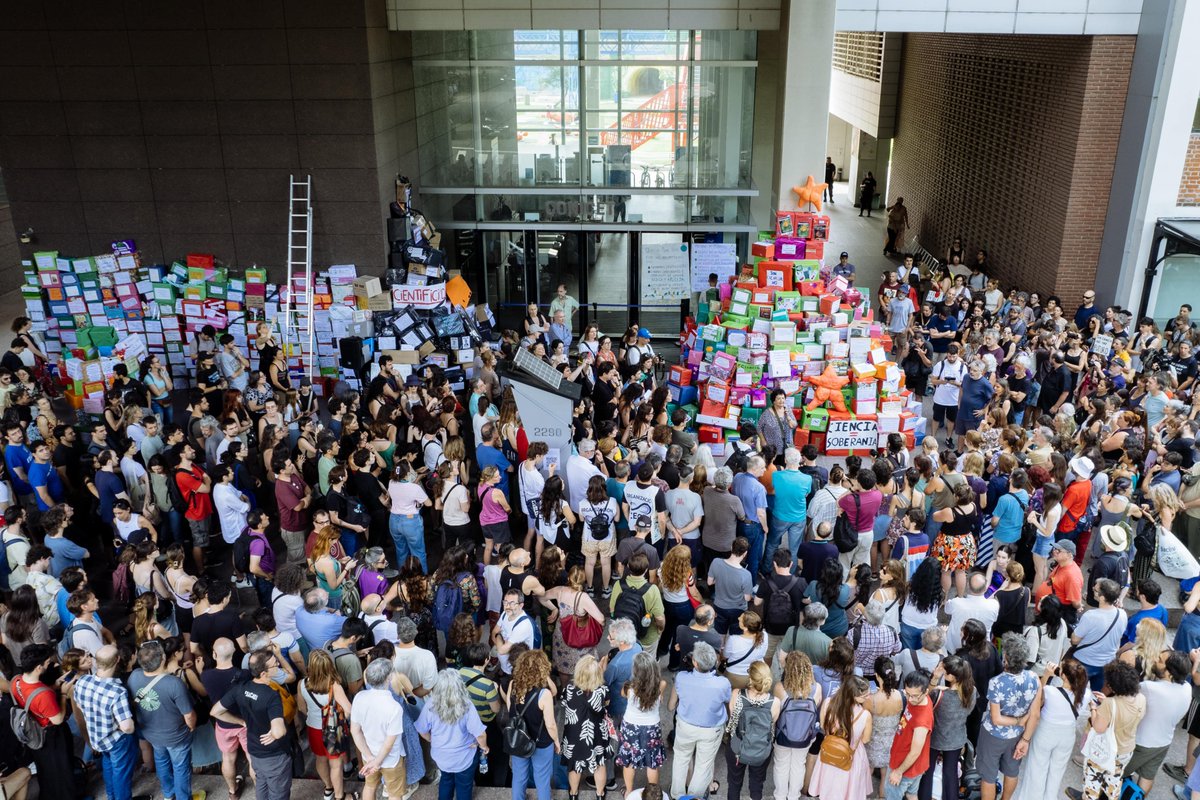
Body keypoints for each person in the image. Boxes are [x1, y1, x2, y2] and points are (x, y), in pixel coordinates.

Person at [127, 640, 200, 800]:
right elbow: (189, 715)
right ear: (163, 658)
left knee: (162, 762)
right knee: (181, 768)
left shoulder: (134, 676)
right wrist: (191, 727)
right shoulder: (174, 683)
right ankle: (183, 798)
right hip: (176, 735)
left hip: (151, 734)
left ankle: (168, 794)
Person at [1068, 661, 1146, 800]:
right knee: (1113, 781)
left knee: (1092, 782)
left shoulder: (1110, 704)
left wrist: (1094, 708)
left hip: (1105, 750)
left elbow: (1098, 727)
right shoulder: (1141, 698)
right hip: (1126, 750)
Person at [974, 633, 1038, 800]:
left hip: (993, 735)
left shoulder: (997, 682)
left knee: (988, 775)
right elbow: (1035, 714)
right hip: (1017, 735)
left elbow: (997, 719)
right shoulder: (1033, 678)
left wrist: (1017, 720)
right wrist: (1025, 737)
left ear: (1006, 659)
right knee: (1012, 771)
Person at [75, 644, 139, 800]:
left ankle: (111, 796)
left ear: (96, 661)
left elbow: (79, 705)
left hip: (97, 736)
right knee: (121, 774)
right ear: (117, 660)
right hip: (117, 740)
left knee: (108, 765)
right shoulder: (117, 691)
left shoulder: (83, 681)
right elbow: (127, 727)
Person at [669, 642, 731, 799]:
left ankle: (677, 795)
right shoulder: (723, 683)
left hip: (685, 726)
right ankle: (694, 797)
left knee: (681, 760)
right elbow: (727, 700)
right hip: (711, 730)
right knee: (703, 765)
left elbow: (673, 703)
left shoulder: (681, 678)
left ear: (695, 663)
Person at [414, 669, 489, 800]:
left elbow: (421, 729)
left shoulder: (431, 703)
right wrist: (484, 747)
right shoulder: (467, 705)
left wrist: (433, 740)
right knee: (464, 786)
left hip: (441, 756)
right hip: (464, 757)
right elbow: (480, 734)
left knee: (446, 780)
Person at [1123, 649, 1190, 794]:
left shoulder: (1150, 688)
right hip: (1163, 742)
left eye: (1160, 660)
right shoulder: (1187, 688)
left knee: (1116, 772)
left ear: (1169, 673)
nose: (1154, 660)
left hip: (1142, 742)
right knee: (1147, 777)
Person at [295, 649, 353, 800]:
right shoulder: (334, 686)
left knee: (320, 759)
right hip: (332, 730)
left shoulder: (302, 684)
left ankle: (328, 788)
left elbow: (301, 708)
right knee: (336, 764)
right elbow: (348, 710)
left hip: (314, 728)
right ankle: (340, 796)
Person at [505, 650, 560, 800]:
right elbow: (551, 725)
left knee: (519, 777)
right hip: (541, 742)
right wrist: (556, 741)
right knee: (542, 779)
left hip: (519, 740)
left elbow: (511, 711)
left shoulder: (513, 685)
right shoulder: (544, 694)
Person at [808, 675, 872, 800]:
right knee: (848, 792)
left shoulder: (828, 703)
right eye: (864, 696)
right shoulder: (865, 715)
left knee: (828, 789)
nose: (868, 698)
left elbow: (822, 725)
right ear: (853, 695)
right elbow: (865, 740)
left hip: (829, 752)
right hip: (851, 756)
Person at [724, 660, 781, 800]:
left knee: (734, 784)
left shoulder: (737, 694)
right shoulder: (775, 702)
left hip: (737, 747)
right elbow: (772, 723)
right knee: (757, 785)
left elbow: (733, 718)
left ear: (750, 678)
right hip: (761, 750)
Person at [772, 651, 823, 800]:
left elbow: (776, 710)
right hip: (805, 736)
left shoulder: (780, 688)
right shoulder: (817, 688)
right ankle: (794, 796)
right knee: (799, 765)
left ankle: (780, 795)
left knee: (781, 765)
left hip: (783, 735)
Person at [616, 652, 667, 796]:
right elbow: (660, 695)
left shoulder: (629, 688)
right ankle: (653, 793)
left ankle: (629, 791)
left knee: (629, 762)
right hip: (652, 727)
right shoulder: (660, 686)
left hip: (631, 726)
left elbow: (622, 695)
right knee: (652, 763)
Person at [1069, 578, 1127, 691]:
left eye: (1095, 590)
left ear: (1102, 597)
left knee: (1074, 693)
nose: (1092, 590)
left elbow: (1075, 640)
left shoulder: (1090, 616)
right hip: (1107, 663)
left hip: (1084, 661)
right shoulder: (1122, 614)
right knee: (1097, 695)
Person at [886, 670, 933, 800]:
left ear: (926, 692)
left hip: (904, 765)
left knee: (891, 796)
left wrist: (898, 772)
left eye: (915, 696)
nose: (910, 699)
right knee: (912, 794)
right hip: (917, 765)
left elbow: (915, 752)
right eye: (907, 694)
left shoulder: (921, 721)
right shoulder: (922, 699)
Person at [943, 572, 999, 653]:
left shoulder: (956, 603)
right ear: (985, 588)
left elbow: (946, 609)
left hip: (955, 648)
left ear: (968, 586)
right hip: (980, 650)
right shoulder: (994, 605)